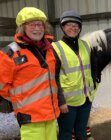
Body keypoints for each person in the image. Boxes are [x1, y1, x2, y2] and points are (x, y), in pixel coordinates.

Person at [0, 7, 66, 140]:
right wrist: (18, 102)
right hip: (30, 118)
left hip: (50, 116)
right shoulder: (9, 53)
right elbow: (2, 86)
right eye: (32, 24)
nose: (37, 28)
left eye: (40, 24)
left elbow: (53, 79)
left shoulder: (49, 50)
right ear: (22, 27)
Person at [52, 10, 96, 140]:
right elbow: (54, 78)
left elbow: (92, 69)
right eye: (69, 25)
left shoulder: (86, 45)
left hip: (86, 99)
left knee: (82, 131)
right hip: (68, 102)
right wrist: (61, 101)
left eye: (76, 25)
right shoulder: (56, 48)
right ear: (63, 27)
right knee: (65, 133)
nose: (73, 28)